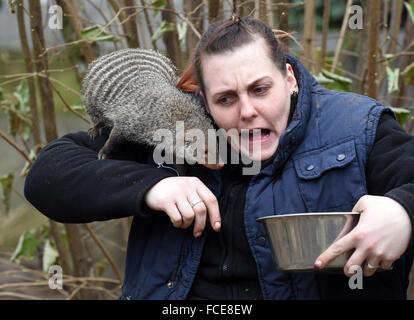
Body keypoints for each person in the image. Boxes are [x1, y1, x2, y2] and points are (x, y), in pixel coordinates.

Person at [24, 16, 414, 300]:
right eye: (225, 98)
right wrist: (152, 186)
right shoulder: (170, 129)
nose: (245, 111)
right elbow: (48, 175)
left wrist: (402, 211)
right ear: (203, 101)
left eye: (260, 90)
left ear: (290, 79)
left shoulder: (355, 126)